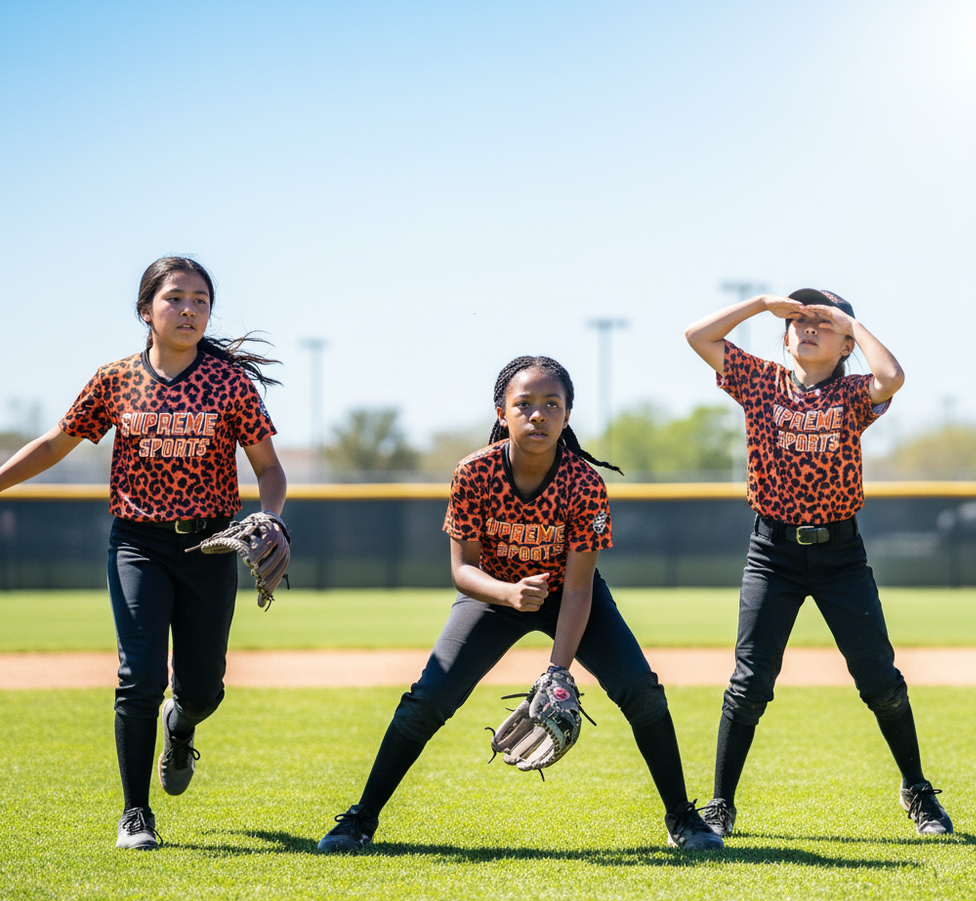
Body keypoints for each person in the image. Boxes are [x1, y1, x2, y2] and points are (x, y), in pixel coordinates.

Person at [317, 355, 723, 853]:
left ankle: (683, 818)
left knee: (641, 689)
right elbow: (462, 571)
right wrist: (507, 593)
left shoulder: (585, 484)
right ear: (501, 411)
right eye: (524, 404)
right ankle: (360, 818)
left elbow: (578, 588)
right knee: (428, 699)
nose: (538, 415)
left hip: (565, 596)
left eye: (552, 404)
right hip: (492, 595)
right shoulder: (474, 473)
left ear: (567, 415)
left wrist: (558, 672)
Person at [0, 256, 287, 850]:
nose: (189, 310)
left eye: (201, 301)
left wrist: (270, 517)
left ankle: (180, 727)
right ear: (145, 310)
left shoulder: (229, 383)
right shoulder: (116, 379)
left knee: (204, 687)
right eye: (175, 298)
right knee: (140, 677)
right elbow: (57, 441)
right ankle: (136, 813)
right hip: (138, 543)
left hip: (210, 544)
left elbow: (269, 469)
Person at [684, 288, 953, 838]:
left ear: (847, 343)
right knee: (750, 682)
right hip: (773, 554)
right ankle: (720, 804)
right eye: (801, 321)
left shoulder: (855, 393)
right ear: (785, 337)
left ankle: (918, 791)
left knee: (880, 681)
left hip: (841, 557)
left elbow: (892, 376)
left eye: (822, 323)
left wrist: (849, 319)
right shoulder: (760, 381)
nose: (809, 327)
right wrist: (762, 304)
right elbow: (698, 336)